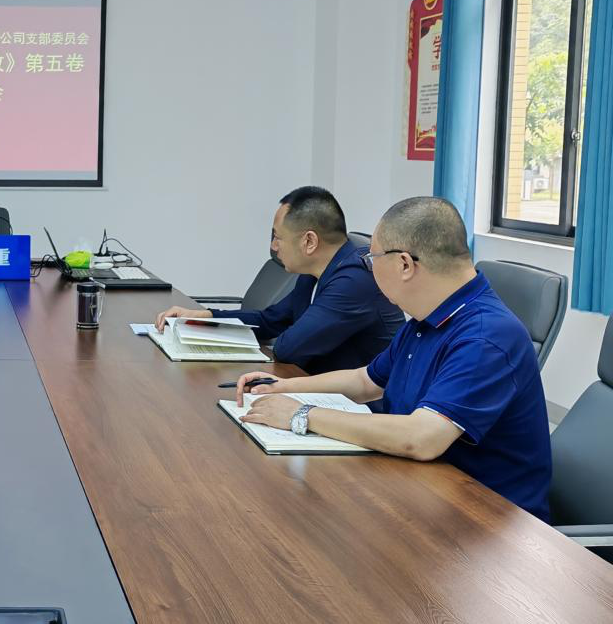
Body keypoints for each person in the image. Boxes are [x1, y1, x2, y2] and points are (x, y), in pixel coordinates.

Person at [235, 196, 552, 520]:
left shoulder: (486, 337)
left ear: (404, 264)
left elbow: (421, 438)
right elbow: (365, 381)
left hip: (485, 521)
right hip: (421, 488)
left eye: (372, 259)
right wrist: (284, 386)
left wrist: (301, 414)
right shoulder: (427, 319)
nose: (369, 269)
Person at [156, 186, 401, 373]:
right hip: (317, 386)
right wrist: (207, 316)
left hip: (364, 407)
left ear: (309, 241)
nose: (273, 246)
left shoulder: (354, 281)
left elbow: (288, 348)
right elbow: (271, 320)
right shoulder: (314, 272)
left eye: (278, 237)